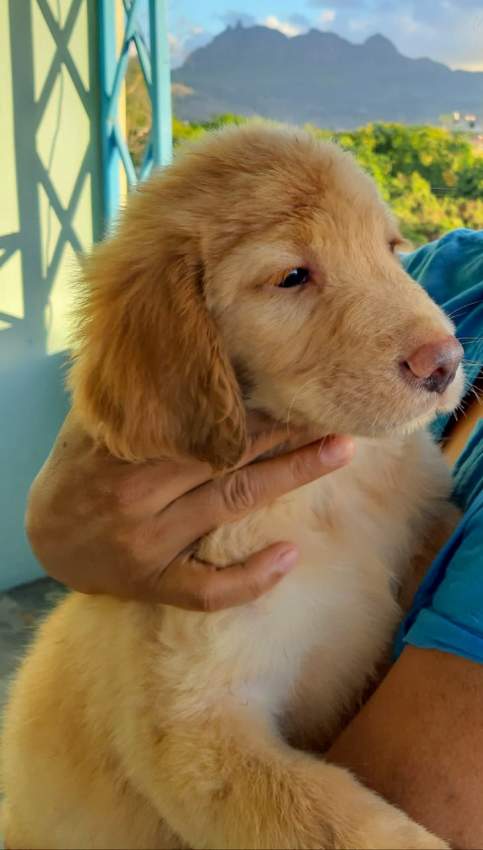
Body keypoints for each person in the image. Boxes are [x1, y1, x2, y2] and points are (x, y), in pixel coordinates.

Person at [26, 229, 483, 848]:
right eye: (293, 277)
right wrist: (58, 519)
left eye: (389, 249)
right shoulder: (451, 273)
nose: (440, 343)